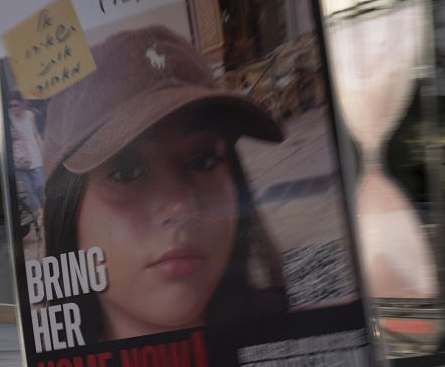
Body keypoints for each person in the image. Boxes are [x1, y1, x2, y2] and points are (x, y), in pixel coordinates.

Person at [40, 25, 288, 343]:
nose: (183, 207)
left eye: (203, 161)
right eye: (126, 171)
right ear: (67, 214)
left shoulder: (293, 342)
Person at [8, 95, 45, 239]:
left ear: (22, 105)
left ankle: (43, 211)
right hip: (21, 161)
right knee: (29, 190)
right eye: (10, 106)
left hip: (35, 157)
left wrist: (43, 152)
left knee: (40, 186)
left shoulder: (30, 116)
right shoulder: (9, 119)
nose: (13, 108)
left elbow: (36, 135)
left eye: (15, 105)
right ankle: (40, 214)